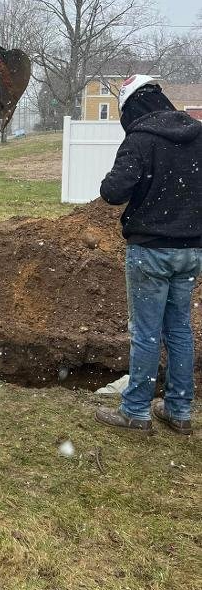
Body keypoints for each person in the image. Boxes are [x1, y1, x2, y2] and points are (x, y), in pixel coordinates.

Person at [96, 75, 202, 436]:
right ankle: (179, 409)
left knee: (145, 334)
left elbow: (114, 192)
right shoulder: (199, 135)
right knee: (179, 330)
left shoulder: (141, 139)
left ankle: (136, 411)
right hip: (191, 252)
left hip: (150, 252)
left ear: (132, 107)